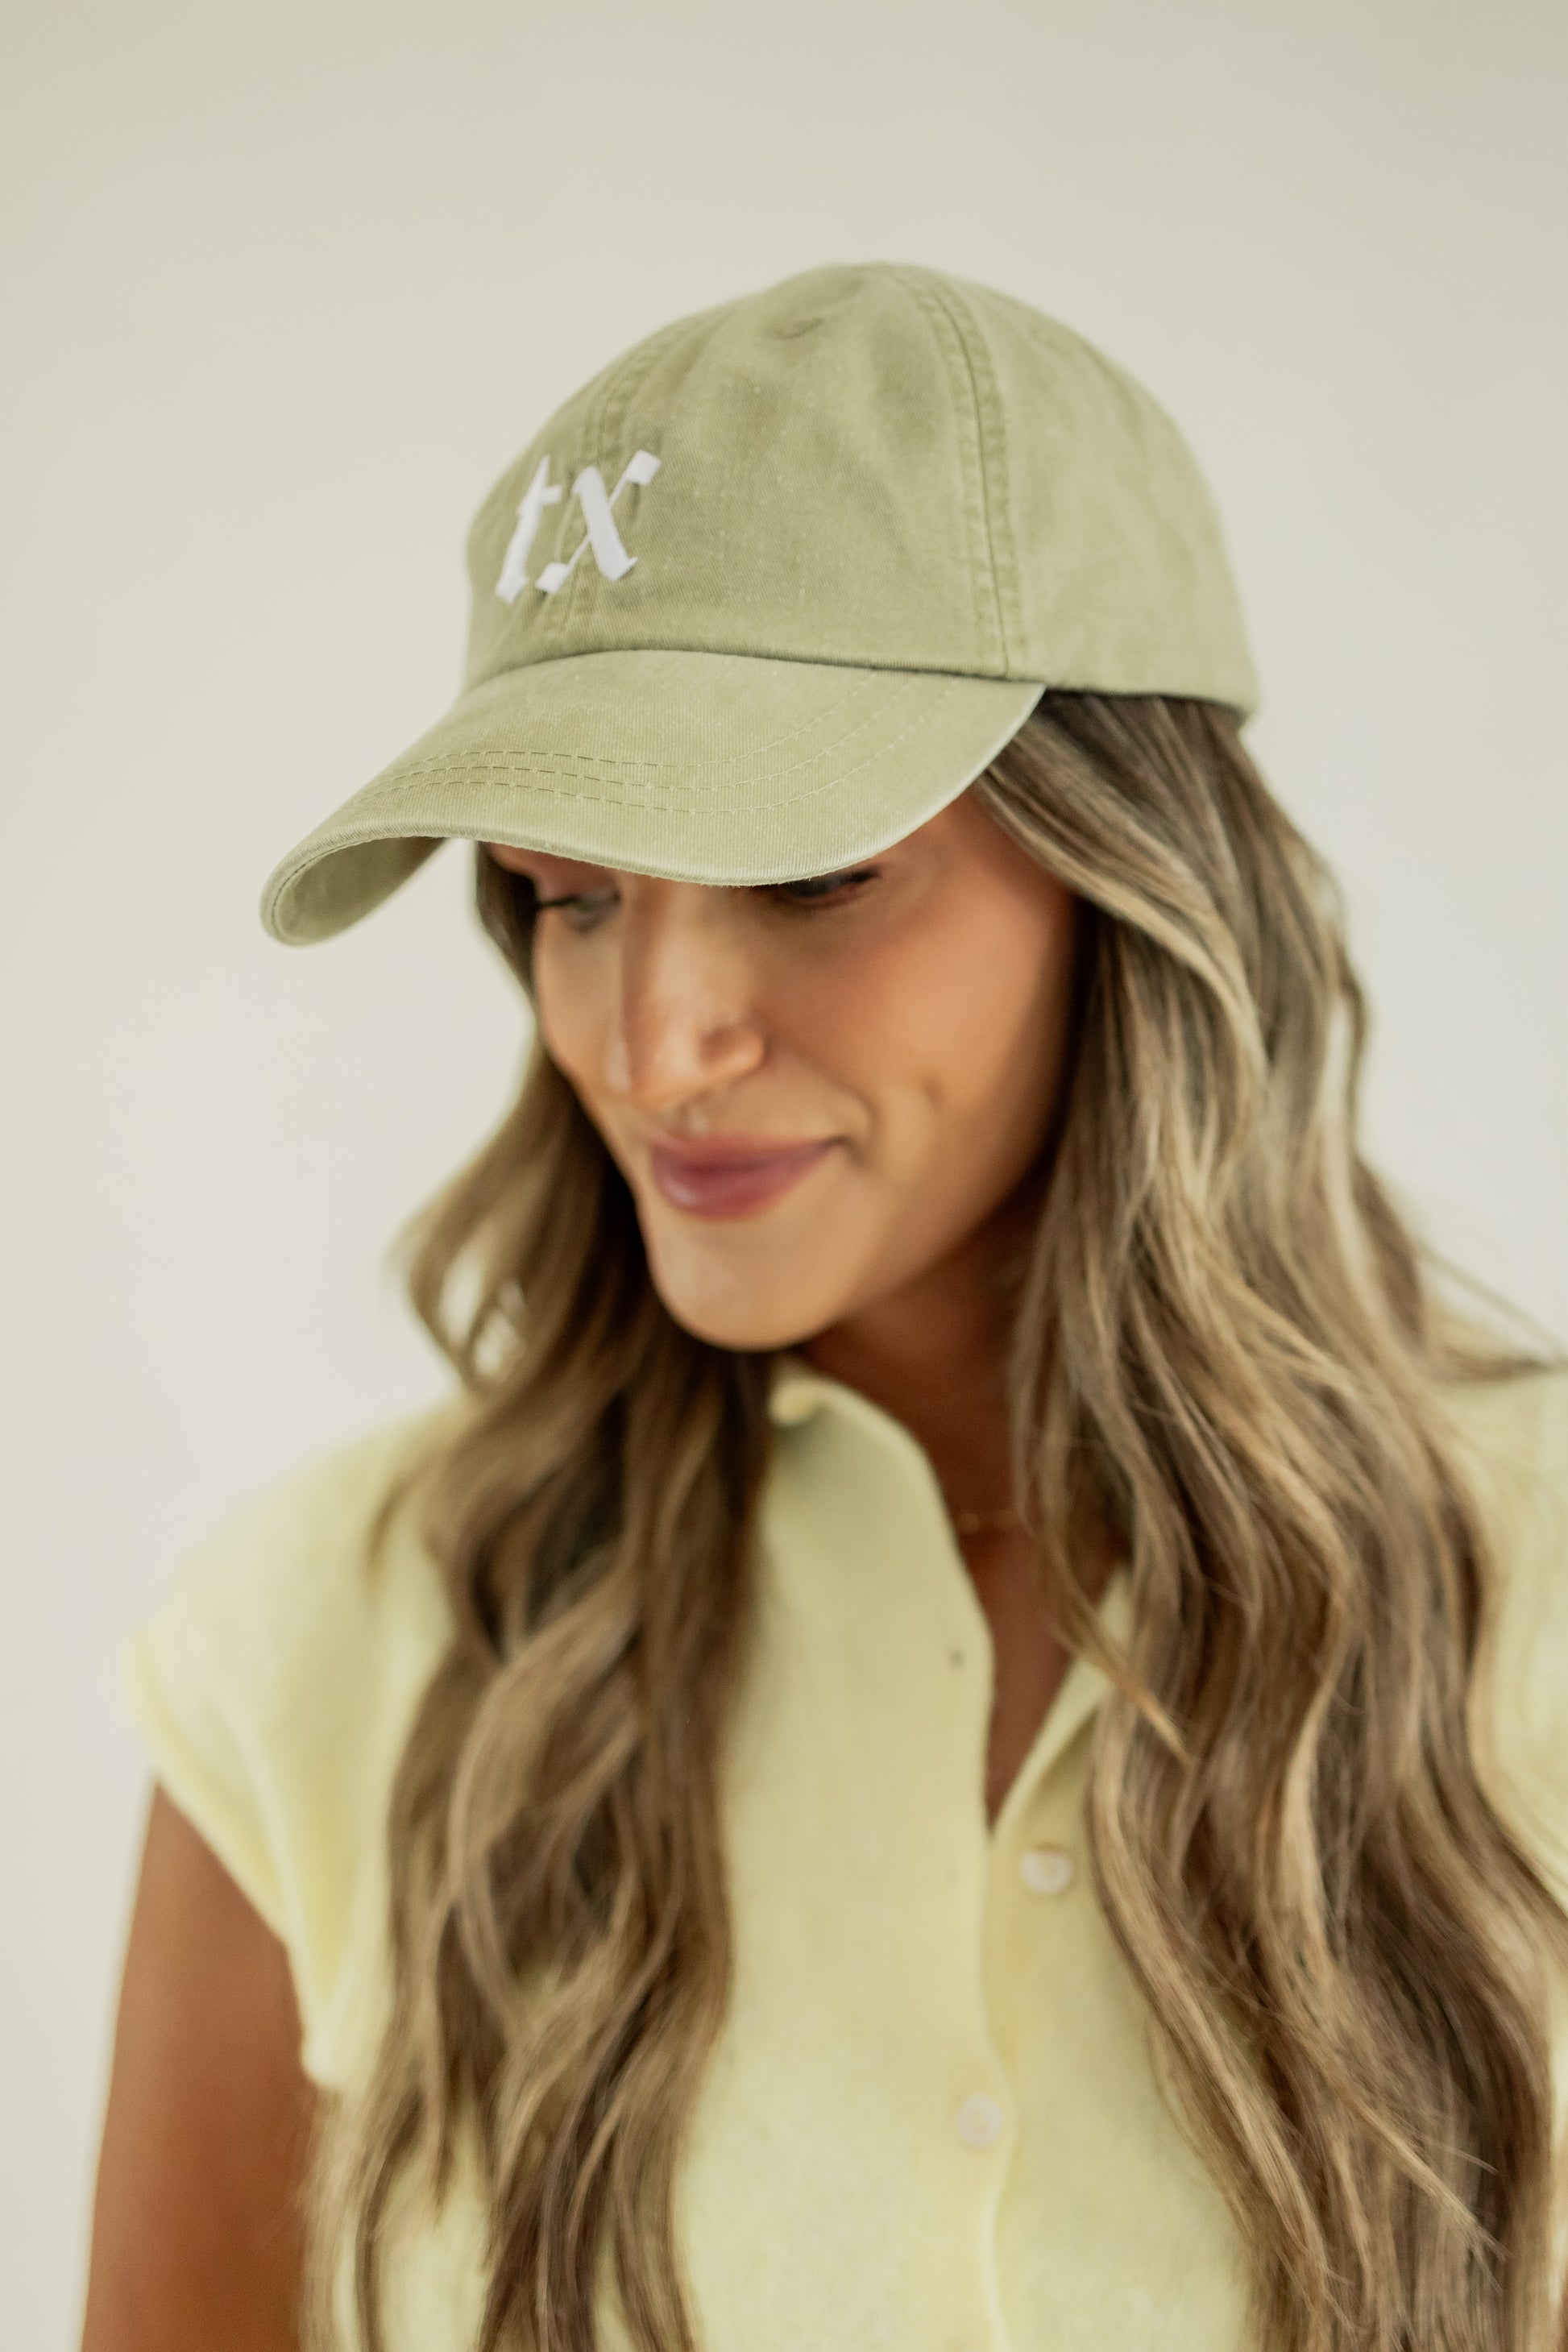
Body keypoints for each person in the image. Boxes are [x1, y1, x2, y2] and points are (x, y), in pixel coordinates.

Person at [81, 263, 1568, 2352]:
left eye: (806, 872)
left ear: (1132, 872)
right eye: (570, 895)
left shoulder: (1539, 1591)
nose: (653, 1044)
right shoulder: (322, 1649)